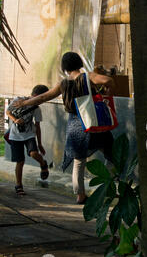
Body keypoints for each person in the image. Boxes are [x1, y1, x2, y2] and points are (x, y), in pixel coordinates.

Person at [14, 52, 115, 204]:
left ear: (65, 66)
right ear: (79, 62)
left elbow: (43, 97)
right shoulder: (88, 77)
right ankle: (107, 184)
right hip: (91, 121)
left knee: (78, 161)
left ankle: (80, 195)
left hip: (74, 124)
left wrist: (25, 103)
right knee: (111, 152)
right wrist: (107, 95)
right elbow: (109, 80)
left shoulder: (63, 84)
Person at [6, 85, 50, 196]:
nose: (42, 101)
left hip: (29, 134)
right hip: (15, 136)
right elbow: (8, 112)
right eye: (43, 98)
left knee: (34, 153)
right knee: (20, 161)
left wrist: (39, 143)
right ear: (37, 96)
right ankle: (19, 185)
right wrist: (15, 120)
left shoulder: (36, 108)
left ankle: (43, 163)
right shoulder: (18, 101)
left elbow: (38, 126)